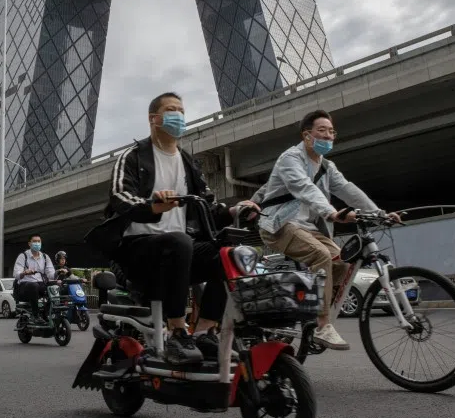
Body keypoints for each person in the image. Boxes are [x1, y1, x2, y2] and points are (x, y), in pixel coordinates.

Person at [106, 92, 260, 364]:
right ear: (154, 119)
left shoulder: (188, 162)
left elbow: (208, 206)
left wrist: (237, 209)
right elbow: (120, 197)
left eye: (181, 110)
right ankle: (177, 330)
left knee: (226, 251)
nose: (178, 115)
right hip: (138, 250)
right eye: (170, 109)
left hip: (180, 251)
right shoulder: (134, 156)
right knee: (179, 241)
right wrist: (152, 205)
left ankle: (204, 331)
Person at [252, 109, 401, 350]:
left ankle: (314, 313)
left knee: (342, 262)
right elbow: (303, 188)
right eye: (322, 130)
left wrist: (379, 213)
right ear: (307, 135)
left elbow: (347, 189)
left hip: (309, 227)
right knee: (321, 256)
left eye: (332, 131)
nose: (328, 136)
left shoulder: (328, 166)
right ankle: (323, 325)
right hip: (279, 225)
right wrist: (330, 211)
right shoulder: (290, 158)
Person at [12, 235, 56, 323]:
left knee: (55, 286)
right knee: (33, 285)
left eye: (39, 241)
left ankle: (48, 313)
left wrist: (59, 274)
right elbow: (16, 274)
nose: (37, 243)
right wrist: (24, 272)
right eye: (34, 241)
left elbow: (50, 273)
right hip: (25, 285)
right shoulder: (23, 256)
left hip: (40, 284)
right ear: (29, 243)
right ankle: (36, 315)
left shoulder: (45, 257)